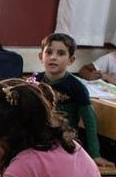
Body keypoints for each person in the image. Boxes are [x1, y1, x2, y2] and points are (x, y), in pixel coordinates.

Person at [35, 32, 105, 166]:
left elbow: (89, 119)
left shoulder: (76, 87)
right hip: (38, 138)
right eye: (49, 52)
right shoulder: (34, 82)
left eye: (61, 54)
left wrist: (95, 154)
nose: (53, 57)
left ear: (71, 60)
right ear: (41, 56)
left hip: (65, 140)